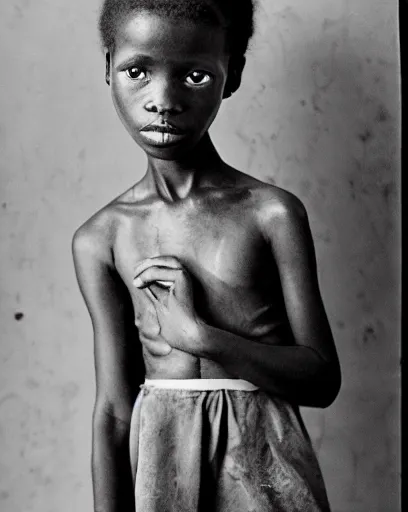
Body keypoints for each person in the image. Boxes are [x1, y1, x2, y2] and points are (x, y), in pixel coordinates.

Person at [72, 0, 341, 510]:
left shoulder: (271, 214)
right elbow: (113, 410)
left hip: (265, 467)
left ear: (232, 75)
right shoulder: (101, 238)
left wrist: (200, 337)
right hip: (162, 471)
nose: (163, 100)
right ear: (109, 68)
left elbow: (323, 378)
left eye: (195, 76)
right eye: (137, 71)